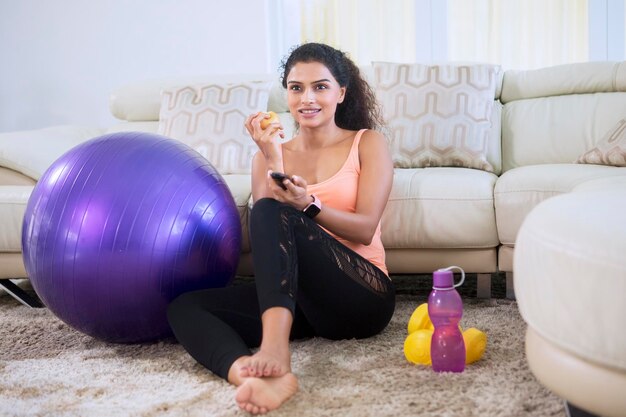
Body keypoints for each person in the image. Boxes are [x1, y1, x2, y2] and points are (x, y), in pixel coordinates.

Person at [167, 42, 395, 415]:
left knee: (276, 210)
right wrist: (273, 157)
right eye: (296, 87)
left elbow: (365, 229)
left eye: (320, 86)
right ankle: (250, 375)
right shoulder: (267, 156)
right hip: (301, 302)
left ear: (341, 92)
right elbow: (267, 240)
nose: (307, 98)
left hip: (362, 296)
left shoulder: (367, 143)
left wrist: (308, 204)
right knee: (185, 307)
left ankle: (275, 350)